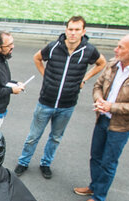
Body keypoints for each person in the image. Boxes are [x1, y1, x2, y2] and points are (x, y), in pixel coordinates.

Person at [15, 16, 106, 179]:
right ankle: (23, 162)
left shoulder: (89, 50)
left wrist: (85, 78)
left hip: (67, 105)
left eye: (77, 30)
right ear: (66, 30)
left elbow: (101, 63)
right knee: (33, 136)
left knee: (55, 137)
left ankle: (45, 164)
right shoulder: (54, 46)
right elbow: (37, 58)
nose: (73, 33)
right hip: (46, 102)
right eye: (70, 29)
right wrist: (45, 75)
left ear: (83, 32)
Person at [75, 34, 129, 201]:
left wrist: (112, 106)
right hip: (102, 118)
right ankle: (94, 186)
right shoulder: (113, 64)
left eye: (120, 47)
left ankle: (98, 197)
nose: (115, 49)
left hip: (120, 126)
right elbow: (98, 85)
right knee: (95, 156)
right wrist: (99, 101)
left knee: (108, 162)